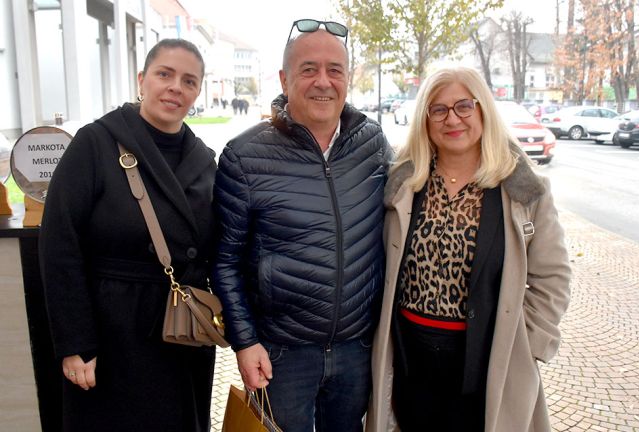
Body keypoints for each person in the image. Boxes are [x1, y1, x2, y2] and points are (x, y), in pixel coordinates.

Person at [365, 66, 571, 432]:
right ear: (425, 119)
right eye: (438, 109)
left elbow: (553, 276)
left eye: (463, 106)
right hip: (411, 359)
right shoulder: (404, 184)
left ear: (483, 109)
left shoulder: (523, 190)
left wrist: (531, 345)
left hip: (486, 361)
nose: (452, 119)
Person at [213, 19, 392, 432]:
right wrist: (245, 341)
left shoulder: (373, 145)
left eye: (335, 70)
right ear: (284, 78)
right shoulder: (244, 156)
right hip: (281, 355)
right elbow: (224, 261)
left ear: (348, 78)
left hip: (356, 349)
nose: (323, 82)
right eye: (309, 69)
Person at [39, 39, 217, 432]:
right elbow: (60, 246)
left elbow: (217, 249)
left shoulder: (204, 159)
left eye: (189, 81)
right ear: (142, 79)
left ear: (197, 93)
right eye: (165, 74)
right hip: (112, 336)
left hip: (182, 334)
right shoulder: (95, 143)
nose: (175, 87)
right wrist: (75, 342)